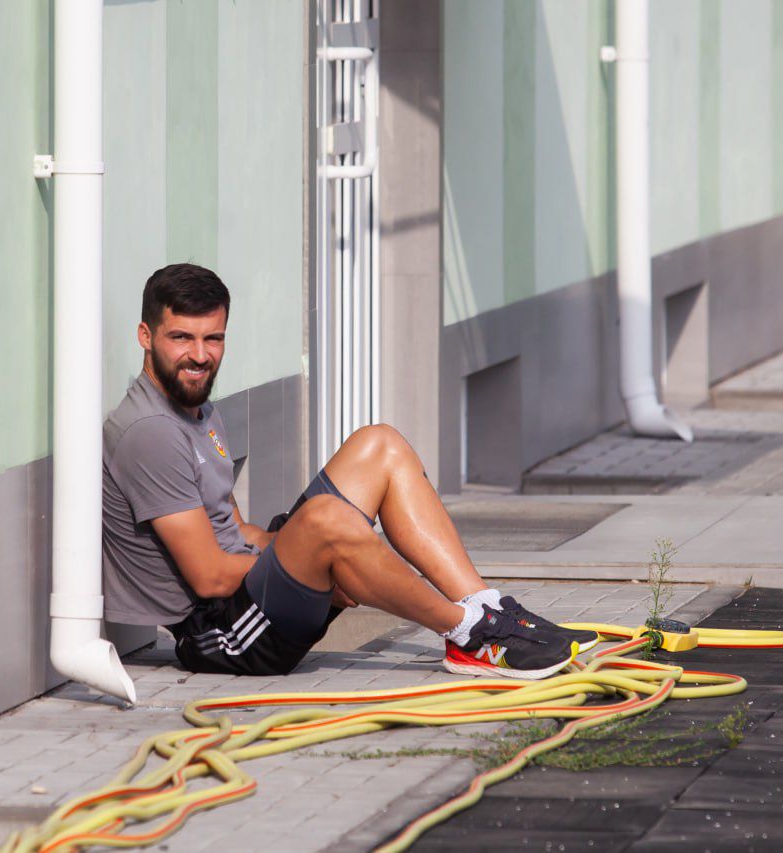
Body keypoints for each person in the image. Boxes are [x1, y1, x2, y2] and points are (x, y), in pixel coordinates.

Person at [102, 263, 597, 679]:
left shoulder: (195, 409)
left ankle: (486, 608)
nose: (200, 355)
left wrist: (297, 555)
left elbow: (235, 531)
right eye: (181, 338)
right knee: (326, 520)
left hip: (253, 597)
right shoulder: (151, 431)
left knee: (379, 444)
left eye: (213, 338)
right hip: (223, 635)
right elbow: (209, 577)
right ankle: (466, 633)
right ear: (146, 336)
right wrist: (317, 559)